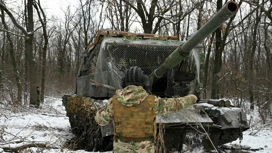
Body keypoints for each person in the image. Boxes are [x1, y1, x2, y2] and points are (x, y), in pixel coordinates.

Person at [95, 85, 197, 153]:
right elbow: (176, 104)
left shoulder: (114, 102)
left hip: (121, 148)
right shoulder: (153, 102)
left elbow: (101, 121)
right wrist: (193, 97)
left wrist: (99, 112)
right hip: (145, 148)